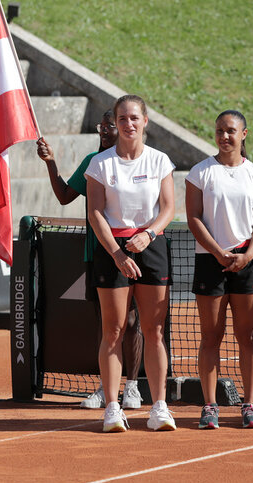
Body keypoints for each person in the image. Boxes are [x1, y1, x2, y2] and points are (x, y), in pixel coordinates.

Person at [37, 111, 144, 411]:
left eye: (110, 126)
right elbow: (63, 196)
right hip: (97, 253)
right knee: (106, 324)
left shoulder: (132, 162)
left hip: (133, 252)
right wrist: (51, 162)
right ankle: (105, 388)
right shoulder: (91, 162)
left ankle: (132, 387)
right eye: (103, 125)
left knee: (133, 320)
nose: (104, 131)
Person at [85, 94, 176, 432]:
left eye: (134, 118)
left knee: (153, 331)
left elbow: (168, 208)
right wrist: (117, 252)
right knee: (113, 330)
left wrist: (149, 235)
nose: (128, 124)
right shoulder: (101, 164)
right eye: (122, 118)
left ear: (145, 121)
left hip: (151, 247)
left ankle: (160, 408)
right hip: (112, 250)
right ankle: (112, 407)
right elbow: (96, 213)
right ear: (116, 122)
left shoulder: (159, 161)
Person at [185, 110, 253, 429]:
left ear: (243, 134)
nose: (224, 136)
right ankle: (209, 406)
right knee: (211, 336)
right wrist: (218, 252)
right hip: (210, 261)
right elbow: (194, 217)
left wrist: (247, 254)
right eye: (220, 130)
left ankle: (250, 405)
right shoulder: (199, 172)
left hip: (247, 261)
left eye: (231, 131)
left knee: (247, 336)